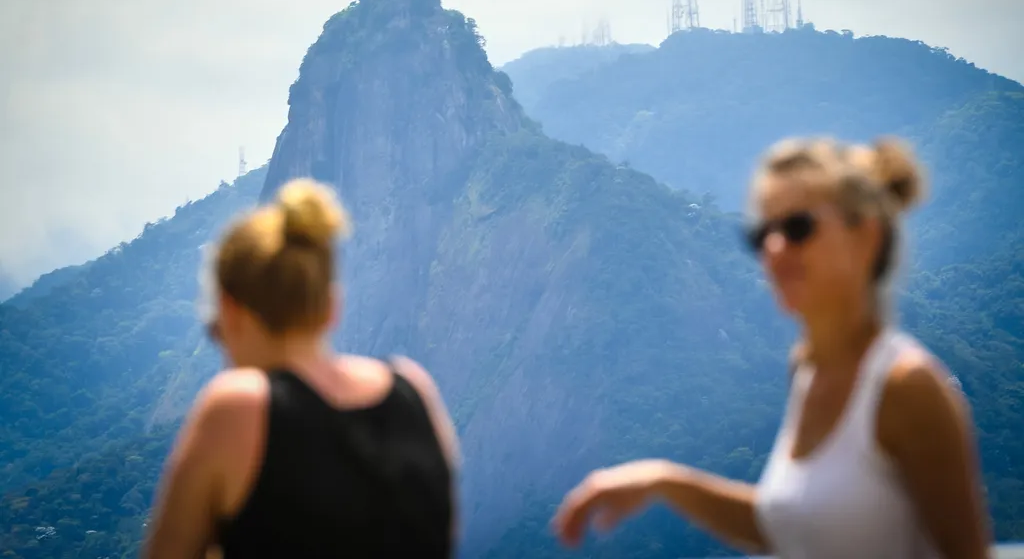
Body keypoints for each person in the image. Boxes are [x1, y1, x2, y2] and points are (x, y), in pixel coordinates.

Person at [552, 136, 991, 559]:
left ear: (866, 237)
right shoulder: (809, 368)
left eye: (799, 227)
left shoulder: (907, 387)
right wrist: (665, 481)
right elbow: (789, 527)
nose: (776, 249)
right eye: (763, 233)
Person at [143, 178, 459, 559]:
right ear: (331, 307)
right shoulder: (414, 391)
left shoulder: (236, 407)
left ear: (230, 310)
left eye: (214, 328)